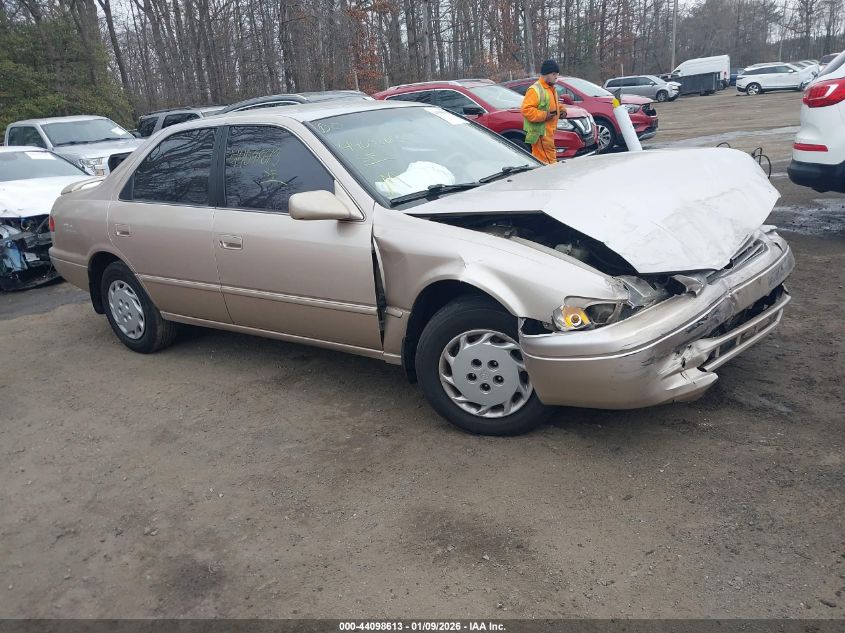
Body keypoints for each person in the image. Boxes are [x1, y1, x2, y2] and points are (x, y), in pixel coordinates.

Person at [520, 59, 565, 164]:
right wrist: (545, 115)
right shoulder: (535, 89)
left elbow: (554, 104)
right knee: (547, 162)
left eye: (557, 74)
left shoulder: (550, 88)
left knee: (546, 160)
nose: (556, 76)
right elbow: (526, 110)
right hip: (540, 133)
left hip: (548, 132)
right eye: (554, 74)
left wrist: (562, 110)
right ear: (546, 74)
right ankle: (552, 178)